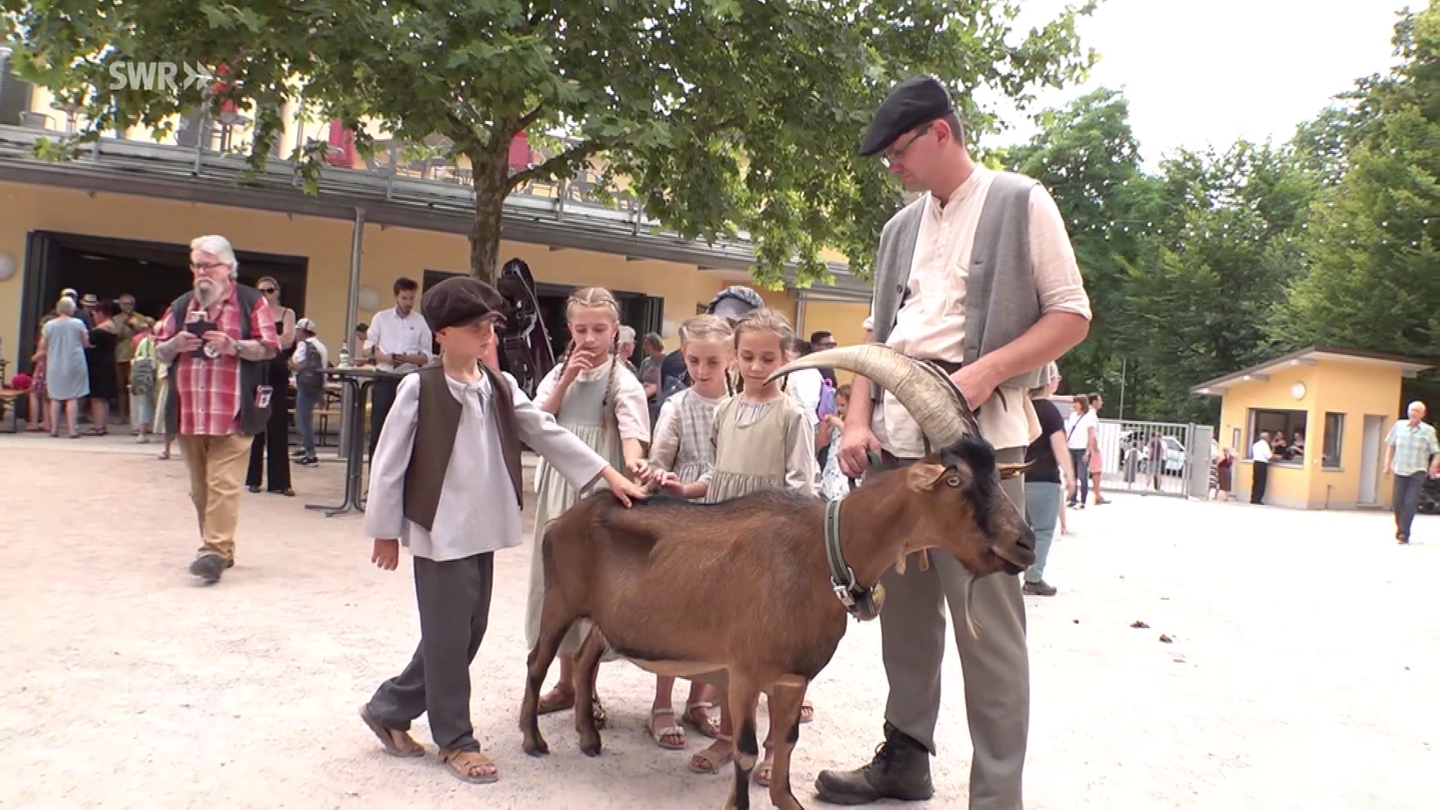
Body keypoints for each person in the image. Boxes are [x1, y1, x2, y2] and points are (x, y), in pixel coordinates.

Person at [818, 75, 1091, 808]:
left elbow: (1071, 315)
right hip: (899, 449)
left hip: (981, 451)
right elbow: (878, 339)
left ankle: (997, 797)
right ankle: (905, 760)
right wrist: (857, 419)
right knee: (904, 619)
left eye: (899, 152)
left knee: (987, 628)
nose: (893, 167)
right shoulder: (897, 230)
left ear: (941, 132)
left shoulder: (1020, 200)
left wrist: (985, 373)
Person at [358, 275, 647, 786]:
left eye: (490, 326)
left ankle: (389, 708)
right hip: (439, 530)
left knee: (465, 633)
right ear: (441, 334)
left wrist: (607, 472)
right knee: (450, 636)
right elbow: (388, 462)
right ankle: (456, 739)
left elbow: (546, 432)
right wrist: (384, 530)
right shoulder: (419, 388)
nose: (487, 336)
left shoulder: (499, 385)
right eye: (475, 328)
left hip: (482, 527)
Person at [647, 308, 819, 786]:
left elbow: (800, 488)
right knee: (730, 646)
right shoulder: (725, 410)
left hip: (769, 547)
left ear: (786, 359)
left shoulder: (793, 416)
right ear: (735, 357)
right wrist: (687, 490)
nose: (757, 366)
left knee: (775, 651)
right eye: (748, 357)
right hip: (726, 539)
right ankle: (728, 737)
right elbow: (717, 473)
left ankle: (774, 748)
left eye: (768, 358)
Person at [526, 286, 651, 728]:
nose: (590, 338)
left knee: (591, 586)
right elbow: (536, 421)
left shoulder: (624, 381)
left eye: (599, 329)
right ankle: (563, 682)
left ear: (615, 330)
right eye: (581, 329)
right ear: (570, 329)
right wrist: (565, 380)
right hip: (559, 484)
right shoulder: (558, 372)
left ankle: (586, 685)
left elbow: (633, 434)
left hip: (599, 486)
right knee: (557, 581)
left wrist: (636, 464)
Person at [154, 234, 281, 584]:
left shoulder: (250, 302)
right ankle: (221, 549)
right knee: (201, 490)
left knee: (223, 483)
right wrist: (175, 344)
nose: (201, 272)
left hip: (233, 410)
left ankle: (212, 551)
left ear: (228, 267)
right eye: (196, 265)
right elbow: (159, 349)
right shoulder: (181, 305)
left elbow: (270, 347)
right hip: (190, 413)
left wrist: (234, 345)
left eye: (208, 265)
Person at [640, 314, 733, 757]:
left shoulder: (739, 408)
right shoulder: (677, 405)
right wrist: (657, 474)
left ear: (731, 359)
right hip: (685, 515)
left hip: (726, 513)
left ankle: (698, 701)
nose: (701, 370)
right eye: (693, 360)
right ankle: (661, 703)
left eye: (712, 361)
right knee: (675, 612)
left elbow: (737, 465)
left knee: (715, 615)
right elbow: (660, 457)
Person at [1022, 364, 1074, 597]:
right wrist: (1070, 476)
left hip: (1016, 477)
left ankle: (1003, 578)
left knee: (1014, 529)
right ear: (1049, 380)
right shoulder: (1050, 412)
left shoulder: (1020, 407)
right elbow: (1059, 447)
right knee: (1042, 530)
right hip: (1044, 478)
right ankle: (1033, 578)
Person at [366, 277, 433, 455]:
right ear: (396, 296)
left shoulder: (421, 322)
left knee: (405, 430)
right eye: (404, 298)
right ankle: (375, 468)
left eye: (411, 298)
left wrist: (409, 358)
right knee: (379, 428)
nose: (408, 303)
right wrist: (386, 358)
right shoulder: (381, 318)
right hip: (384, 377)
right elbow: (368, 348)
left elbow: (427, 356)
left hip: (408, 379)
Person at [245, 277, 297, 497]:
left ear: (277, 291)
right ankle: (253, 478)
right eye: (261, 290)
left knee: (278, 424)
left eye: (269, 289)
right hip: (258, 370)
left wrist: (266, 340)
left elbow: (289, 339)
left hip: (277, 370)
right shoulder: (253, 313)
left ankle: (280, 481)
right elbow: (248, 339)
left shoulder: (287, 313)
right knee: (257, 423)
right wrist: (272, 339)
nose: (266, 294)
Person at [1384, 401, 1439, 544]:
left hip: (1417, 471)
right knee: (1397, 502)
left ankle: (1404, 533)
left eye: (1417, 411)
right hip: (1400, 469)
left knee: (1409, 502)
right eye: (1411, 410)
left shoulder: (1428, 431)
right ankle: (1400, 527)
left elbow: (1436, 451)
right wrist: (1387, 465)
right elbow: (1391, 446)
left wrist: (1433, 466)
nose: (1413, 413)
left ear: (1422, 414)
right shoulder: (1399, 426)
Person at [37, 296, 91, 439]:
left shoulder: (49, 325)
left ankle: (54, 429)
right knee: (72, 397)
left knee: (55, 397)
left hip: (54, 363)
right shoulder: (78, 323)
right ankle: (72, 430)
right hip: (74, 362)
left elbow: (43, 345)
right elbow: (85, 343)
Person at [289, 317, 328, 466]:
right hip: (316, 385)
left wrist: (286, 362)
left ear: (302, 331)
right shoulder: (320, 346)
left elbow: (296, 365)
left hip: (306, 386)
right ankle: (306, 447)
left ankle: (310, 454)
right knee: (306, 418)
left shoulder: (304, 345)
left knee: (302, 419)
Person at [818, 383, 854, 502]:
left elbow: (850, 435)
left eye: (843, 405)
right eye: (837, 405)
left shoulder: (854, 422)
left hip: (845, 462)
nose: (839, 409)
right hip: (832, 463)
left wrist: (838, 423)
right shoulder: (838, 418)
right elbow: (824, 442)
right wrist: (824, 427)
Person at [128, 323, 160, 444]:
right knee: (162, 404)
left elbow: (136, 357)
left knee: (145, 404)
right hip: (160, 374)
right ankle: (161, 432)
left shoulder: (144, 341)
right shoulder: (160, 341)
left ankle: (142, 433)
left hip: (145, 375)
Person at [1065, 395, 1095, 508]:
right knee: (1073, 475)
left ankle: (1083, 501)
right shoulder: (1073, 416)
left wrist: (1088, 451)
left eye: (1076, 402)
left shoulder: (1088, 417)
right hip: (1071, 447)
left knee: (1082, 475)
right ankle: (1073, 499)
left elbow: (1091, 435)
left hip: (1082, 448)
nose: (1074, 404)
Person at [1084, 393, 1109, 505]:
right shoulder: (1091, 415)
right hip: (1092, 446)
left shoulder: (1086, 413)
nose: (1101, 403)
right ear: (1094, 401)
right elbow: (1091, 431)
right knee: (1096, 471)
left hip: (1086, 445)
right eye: (1100, 400)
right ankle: (1097, 496)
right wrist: (1095, 446)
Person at [1250, 432, 1273, 505]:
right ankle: (1258, 499)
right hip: (1262, 464)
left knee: (1256, 481)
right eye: (1269, 437)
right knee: (1261, 482)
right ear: (1266, 438)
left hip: (1256, 463)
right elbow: (1269, 456)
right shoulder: (1265, 445)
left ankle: (1253, 498)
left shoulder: (1256, 444)